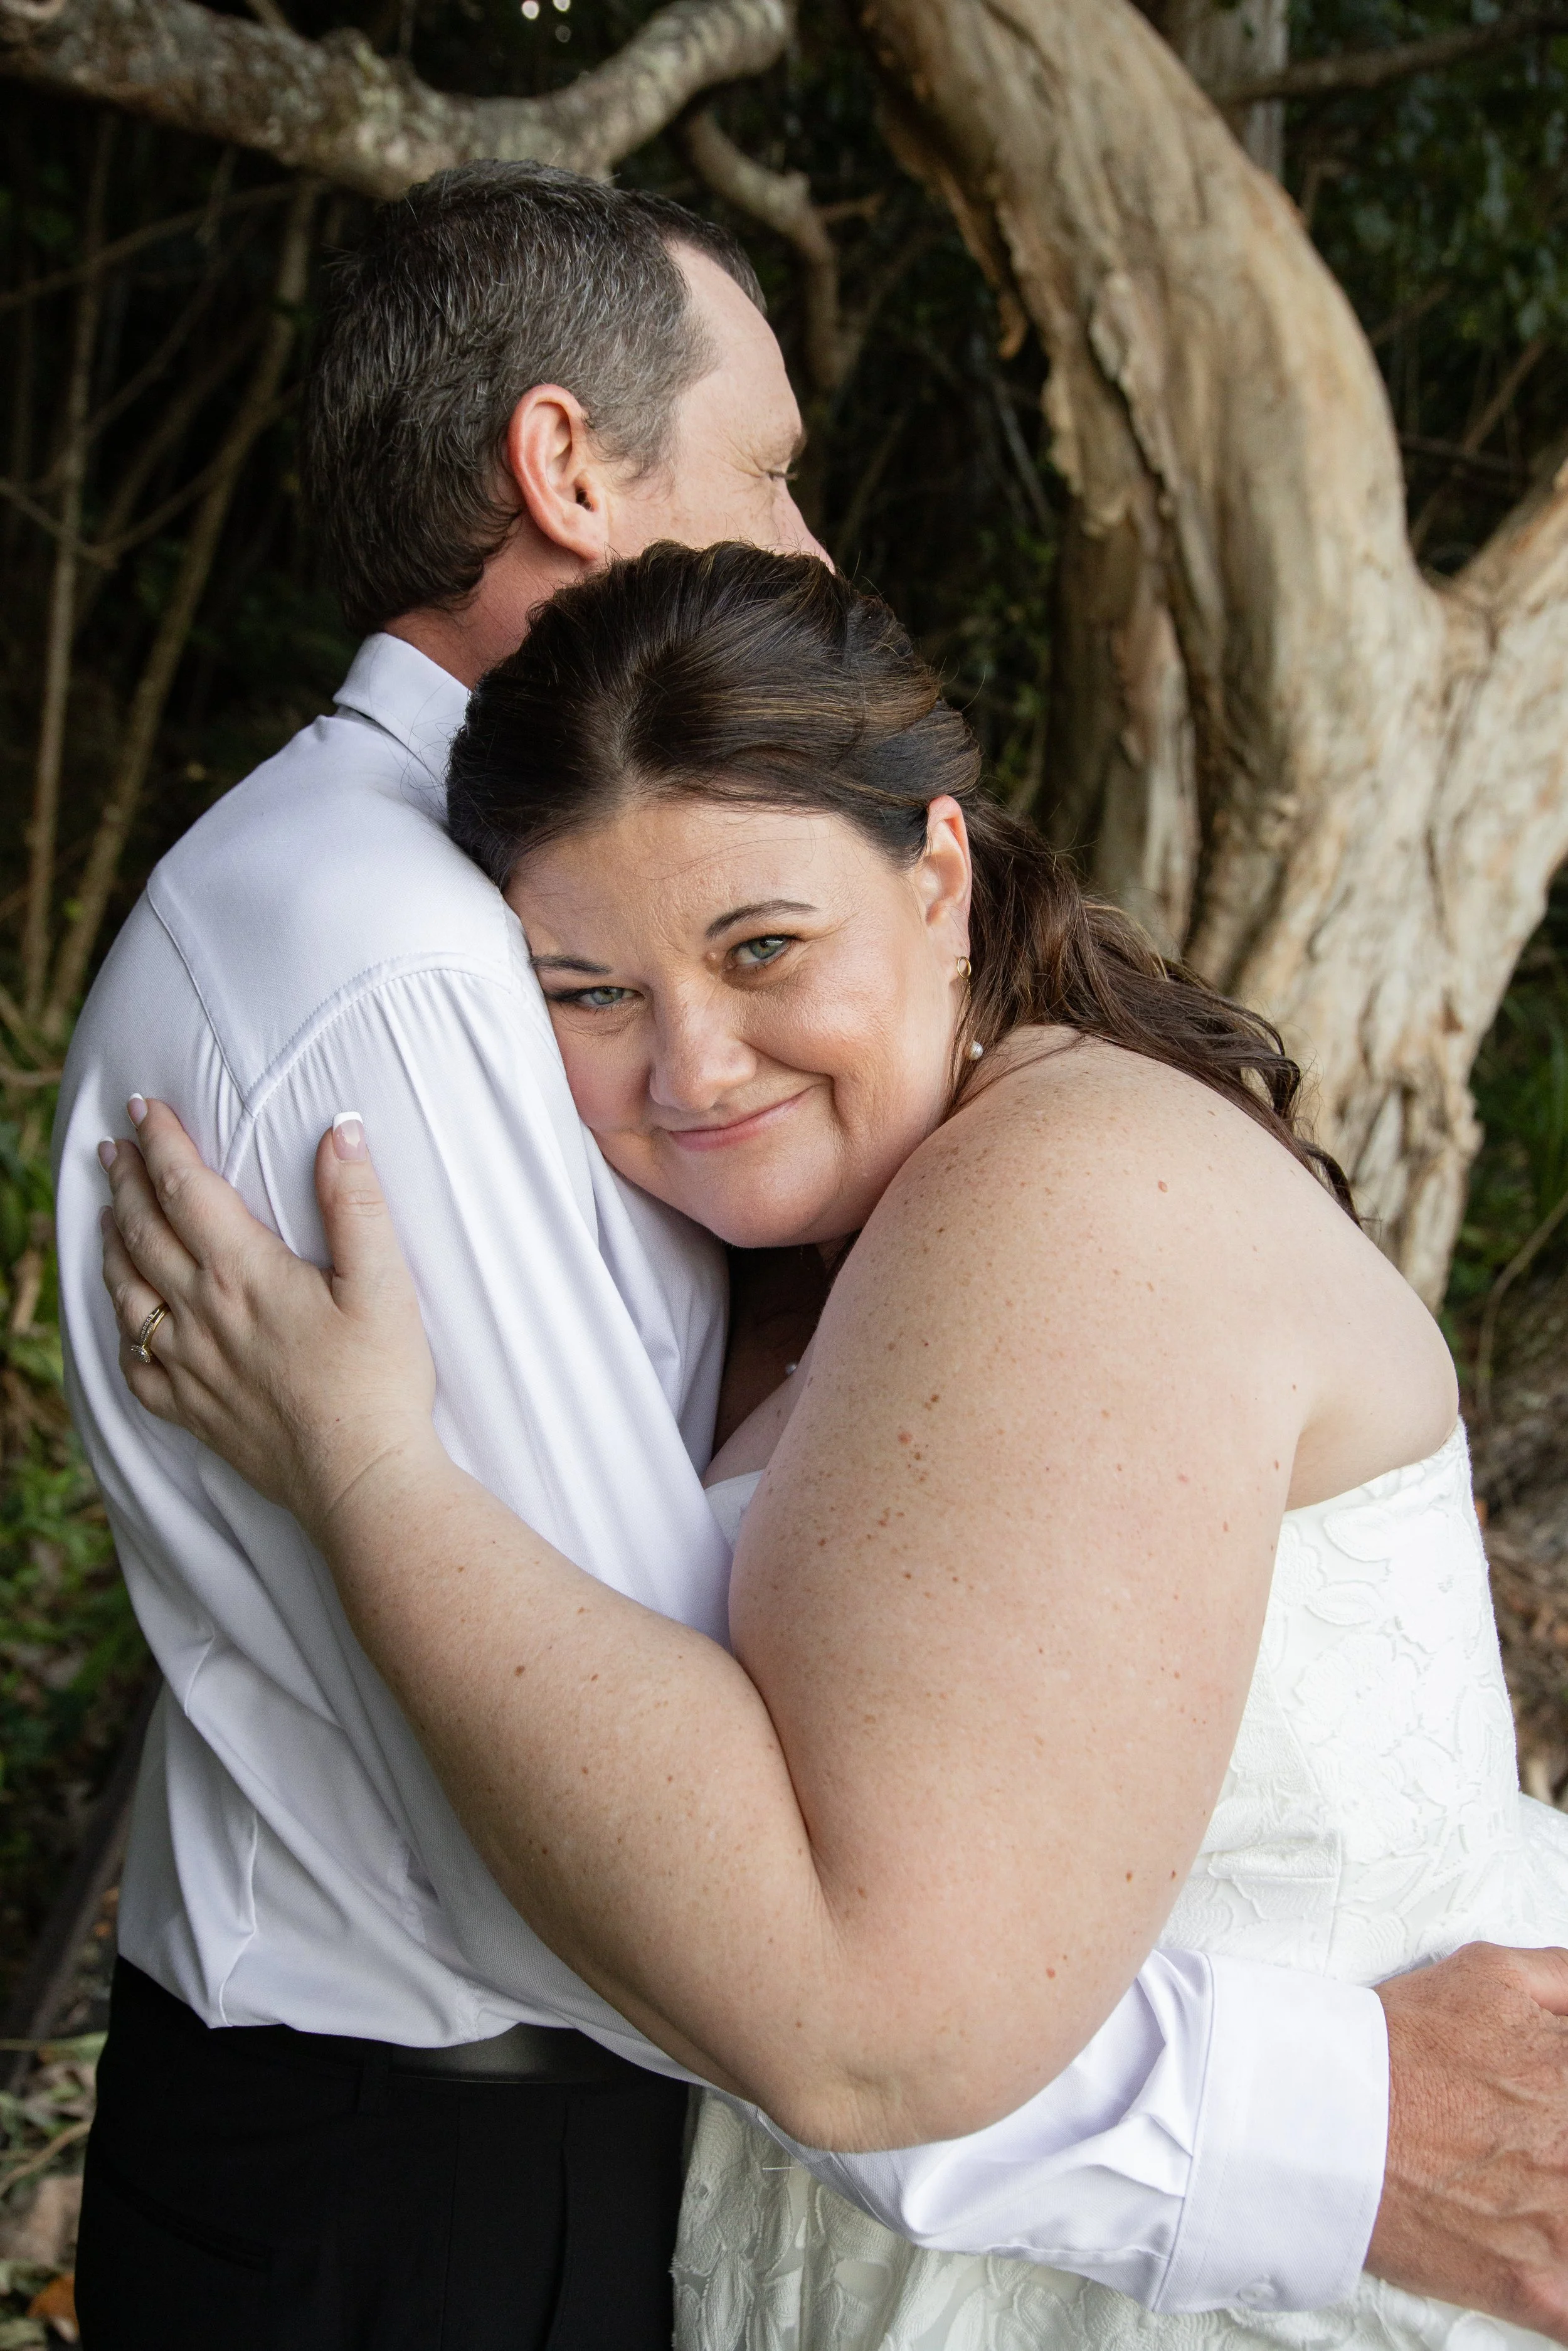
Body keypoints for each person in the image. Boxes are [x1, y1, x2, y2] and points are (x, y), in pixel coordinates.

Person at [53, 164, 1568, 2349]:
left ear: (935, 877)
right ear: (565, 464)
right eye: (769, 469)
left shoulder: (1014, 1179)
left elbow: (803, 1924)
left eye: (767, 944)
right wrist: (1339, 2135)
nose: (812, 546)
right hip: (502, 2179)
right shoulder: (411, 966)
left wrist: (1363, 2150)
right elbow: (710, 1891)